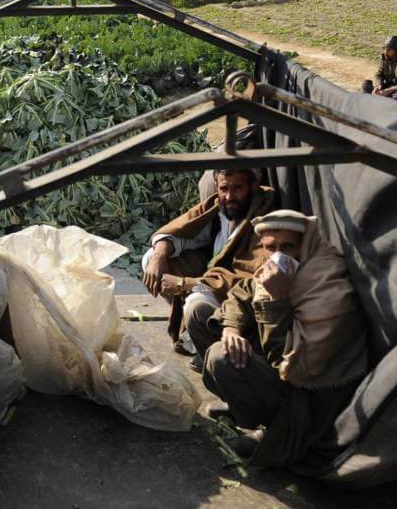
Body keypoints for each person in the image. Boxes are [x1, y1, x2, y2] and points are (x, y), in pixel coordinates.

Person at [201, 210, 368, 468]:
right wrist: (231, 329)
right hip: (283, 374)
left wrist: (277, 302)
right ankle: (242, 406)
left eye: (288, 246)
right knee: (204, 317)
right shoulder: (276, 269)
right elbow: (241, 293)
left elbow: (290, 365)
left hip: (309, 398)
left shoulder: (326, 282)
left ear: (306, 244)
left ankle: (274, 429)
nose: (279, 255)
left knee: (220, 358)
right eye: (271, 247)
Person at [141, 167, 276, 368]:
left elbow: (251, 282)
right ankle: (195, 338)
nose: (230, 196)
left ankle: (216, 357)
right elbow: (184, 232)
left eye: (237, 188)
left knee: (196, 304)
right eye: (224, 188)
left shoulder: (263, 218)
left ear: (253, 186)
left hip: (237, 299)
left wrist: (185, 284)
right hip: (212, 282)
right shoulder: (219, 206)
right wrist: (160, 254)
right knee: (152, 257)